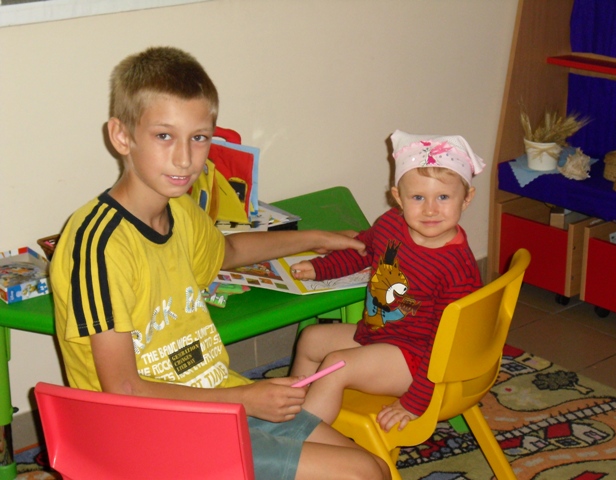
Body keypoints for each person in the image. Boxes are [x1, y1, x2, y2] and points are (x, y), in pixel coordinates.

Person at [50, 46, 390, 480]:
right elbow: (124, 388)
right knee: (359, 473)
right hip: (149, 433)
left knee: (375, 468)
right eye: (164, 136)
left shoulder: (180, 209)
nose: (184, 158)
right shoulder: (98, 246)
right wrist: (245, 399)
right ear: (121, 136)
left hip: (215, 399)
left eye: (199, 138)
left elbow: (229, 253)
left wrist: (316, 238)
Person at [290, 130, 485, 433]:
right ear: (398, 197)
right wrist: (319, 269)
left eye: (443, 197)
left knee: (336, 366)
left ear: (467, 198)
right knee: (311, 339)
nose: (430, 209)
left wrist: (415, 401)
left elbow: (447, 346)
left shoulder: (456, 268)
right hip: (381, 333)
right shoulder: (391, 224)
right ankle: (290, 409)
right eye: (418, 197)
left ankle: (298, 441)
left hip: (418, 360)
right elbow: (364, 251)